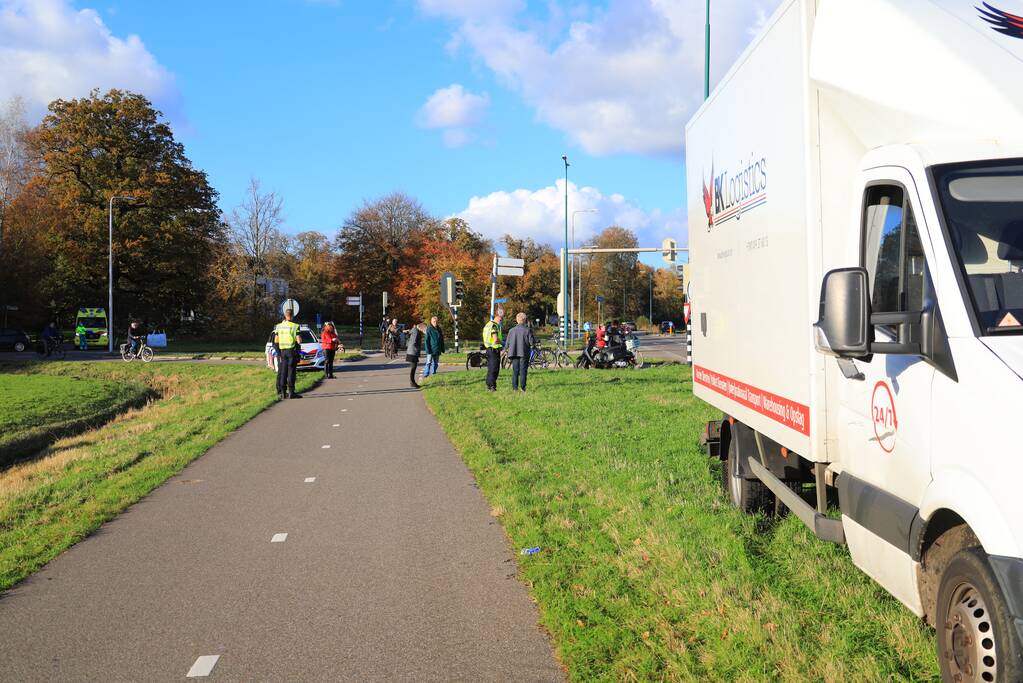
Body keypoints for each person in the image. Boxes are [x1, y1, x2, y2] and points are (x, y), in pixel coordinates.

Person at [274, 308, 301, 399]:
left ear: (285, 316)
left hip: (282, 352)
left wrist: (278, 352)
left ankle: (283, 393)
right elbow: (299, 340)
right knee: (291, 372)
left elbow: (276, 341)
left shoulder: (278, 326)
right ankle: (291, 392)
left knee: (283, 372)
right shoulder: (295, 326)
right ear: (292, 316)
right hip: (291, 351)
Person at [504, 312, 535, 392]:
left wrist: (505, 350)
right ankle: (523, 388)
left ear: (517, 320)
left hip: (514, 352)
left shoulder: (511, 330)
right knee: (523, 371)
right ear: (524, 320)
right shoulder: (528, 330)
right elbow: (531, 342)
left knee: (515, 371)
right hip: (524, 353)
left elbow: (507, 342)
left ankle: (515, 388)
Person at [482, 312, 504, 391]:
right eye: (501, 321)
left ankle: (489, 385)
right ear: (499, 319)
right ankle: (492, 386)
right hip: (494, 350)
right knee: (494, 369)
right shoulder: (494, 326)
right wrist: (502, 343)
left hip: (489, 349)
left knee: (490, 368)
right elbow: (495, 339)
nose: (501, 323)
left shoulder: (487, 325)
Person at [422, 315, 445, 380]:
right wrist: (428, 350)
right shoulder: (429, 329)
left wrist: (442, 348)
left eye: (436, 321)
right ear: (431, 322)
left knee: (435, 363)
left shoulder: (439, 329)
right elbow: (426, 341)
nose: (435, 323)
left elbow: (442, 340)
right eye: (434, 321)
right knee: (428, 362)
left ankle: (433, 373)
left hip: (437, 349)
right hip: (430, 349)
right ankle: (426, 374)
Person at [406, 322, 426, 388]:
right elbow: (413, 342)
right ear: (421, 327)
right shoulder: (416, 332)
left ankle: (412, 382)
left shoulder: (414, 330)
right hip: (413, 352)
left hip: (411, 351)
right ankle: (412, 382)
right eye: (424, 329)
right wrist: (417, 347)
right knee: (413, 368)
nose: (423, 331)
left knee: (413, 367)